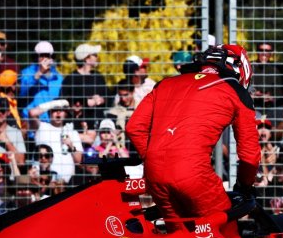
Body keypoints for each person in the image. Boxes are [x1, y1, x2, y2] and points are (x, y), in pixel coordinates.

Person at [126, 44, 259, 221]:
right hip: (194, 175)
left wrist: (154, 159)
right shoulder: (235, 90)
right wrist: (245, 187)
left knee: (178, 237)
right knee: (224, 234)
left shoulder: (165, 83)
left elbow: (134, 128)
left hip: (154, 173)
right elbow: (250, 156)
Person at [61, 43, 109, 139]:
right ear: (86, 58)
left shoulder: (98, 77)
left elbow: (109, 98)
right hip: (78, 128)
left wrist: (101, 100)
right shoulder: (70, 79)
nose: (97, 57)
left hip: (99, 127)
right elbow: (65, 101)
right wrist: (86, 102)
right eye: (94, 55)